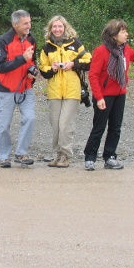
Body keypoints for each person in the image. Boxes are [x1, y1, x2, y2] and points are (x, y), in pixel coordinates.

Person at [83, 19, 134, 170]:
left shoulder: (125, 49)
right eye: (123, 31)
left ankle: (110, 156)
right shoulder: (101, 51)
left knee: (115, 127)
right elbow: (93, 76)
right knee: (99, 127)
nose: (126, 34)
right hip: (104, 95)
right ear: (114, 35)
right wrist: (99, 97)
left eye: (126, 31)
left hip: (120, 93)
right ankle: (90, 157)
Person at [38, 15, 92, 168]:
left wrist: (73, 64)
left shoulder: (75, 44)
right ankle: (58, 154)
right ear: (50, 29)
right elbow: (43, 69)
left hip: (72, 90)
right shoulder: (47, 47)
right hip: (54, 91)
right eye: (54, 27)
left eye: (60, 26)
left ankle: (66, 155)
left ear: (65, 27)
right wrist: (52, 68)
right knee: (56, 125)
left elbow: (89, 61)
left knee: (65, 124)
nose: (57, 29)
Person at [0, 9, 38, 168]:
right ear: (15, 24)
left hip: (26, 88)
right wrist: (22, 59)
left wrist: (33, 70)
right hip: (6, 89)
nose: (29, 25)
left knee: (30, 118)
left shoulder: (32, 39)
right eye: (25, 23)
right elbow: (2, 67)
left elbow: (33, 61)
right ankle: (3, 156)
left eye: (29, 22)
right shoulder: (3, 40)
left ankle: (21, 153)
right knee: (4, 125)